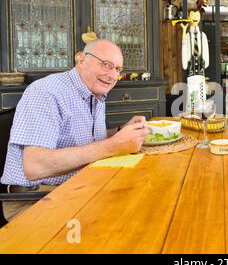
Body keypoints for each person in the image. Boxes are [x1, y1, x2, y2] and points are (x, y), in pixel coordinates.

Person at [1, 39, 149, 221]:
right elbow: (35, 166)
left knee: (144, 200)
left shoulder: (95, 92)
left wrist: (120, 131)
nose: (112, 75)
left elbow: (86, 139)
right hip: (35, 200)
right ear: (81, 60)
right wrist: (113, 146)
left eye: (117, 69)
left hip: (77, 188)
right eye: (106, 65)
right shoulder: (46, 92)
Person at [180, 9, 209, 116]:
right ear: (189, 17)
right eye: (192, 15)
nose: (195, 17)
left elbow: (206, 50)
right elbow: (184, 50)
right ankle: (191, 114)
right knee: (191, 93)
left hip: (201, 72)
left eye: (197, 15)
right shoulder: (187, 36)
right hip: (191, 71)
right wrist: (183, 32)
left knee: (201, 94)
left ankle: (202, 114)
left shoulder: (203, 36)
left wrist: (206, 62)